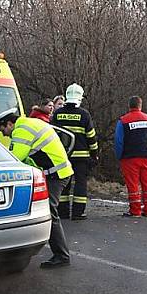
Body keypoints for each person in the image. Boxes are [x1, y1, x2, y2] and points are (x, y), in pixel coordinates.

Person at [0, 109, 74, 268]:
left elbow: (15, 159)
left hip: (56, 175)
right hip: (57, 173)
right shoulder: (30, 123)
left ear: (10, 123)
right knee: (45, 211)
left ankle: (62, 255)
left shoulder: (22, 130)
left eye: (3, 130)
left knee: (49, 212)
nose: (4, 134)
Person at [51, 83, 98, 220]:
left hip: (63, 156)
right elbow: (91, 137)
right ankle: (78, 213)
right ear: (80, 98)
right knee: (80, 184)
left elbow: (52, 135)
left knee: (64, 185)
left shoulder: (58, 114)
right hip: (81, 158)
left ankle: (63, 212)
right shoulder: (84, 114)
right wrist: (94, 155)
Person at [114, 96, 147, 218]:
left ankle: (135, 210)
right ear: (140, 105)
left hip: (129, 157)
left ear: (129, 106)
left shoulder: (123, 121)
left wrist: (119, 156)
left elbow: (118, 141)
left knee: (133, 185)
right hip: (146, 156)